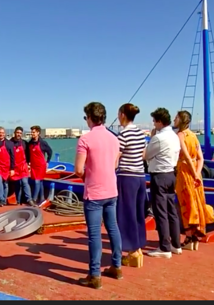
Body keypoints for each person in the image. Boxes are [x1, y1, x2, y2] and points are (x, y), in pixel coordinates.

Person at [75, 102, 123, 289]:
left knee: (94, 233)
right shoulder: (114, 139)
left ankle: (95, 275)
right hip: (111, 190)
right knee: (113, 228)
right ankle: (116, 266)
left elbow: (79, 170)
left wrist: (90, 175)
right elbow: (114, 165)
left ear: (89, 117)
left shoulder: (85, 139)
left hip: (94, 193)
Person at [174, 111, 214, 251]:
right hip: (196, 175)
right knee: (196, 203)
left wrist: (193, 173)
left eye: (176, 118)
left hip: (185, 173)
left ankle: (189, 237)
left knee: (186, 205)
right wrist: (198, 174)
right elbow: (200, 158)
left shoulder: (180, 136)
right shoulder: (193, 136)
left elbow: (185, 156)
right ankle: (195, 236)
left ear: (181, 120)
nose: (174, 119)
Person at [145, 107, 182, 258]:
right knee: (171, 210)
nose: (153, 124)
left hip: (159, 175)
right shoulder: (174, 136)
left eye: (154, 121)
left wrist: (152, 138)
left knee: (161, 212)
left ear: (159, 122)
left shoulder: (159, 138)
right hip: (171, 174)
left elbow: (146, 155)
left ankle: (164, 247)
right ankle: (176, 244)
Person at [116, 103, 147, 268]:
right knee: (137, 214)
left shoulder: (123, 134)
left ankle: (132, 251)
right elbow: (143, 154)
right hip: (140, 177)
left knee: (126, 214)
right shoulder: (140, 133)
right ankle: (138, 247)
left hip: (126, 177)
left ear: (122, 115)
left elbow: (116, 157)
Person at [10, 127, 36, 206]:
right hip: (15, 167)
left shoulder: (24, 143)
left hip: (23, 166)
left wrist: (29, 163)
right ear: (15, 132)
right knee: (17, 184)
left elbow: (28, 153)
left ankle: (29, 200)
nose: (19, 134)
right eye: (17, 132)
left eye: (20, 133)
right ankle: (18, 201)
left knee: (25, 182)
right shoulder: (10, 143)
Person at [27, 125, 53, 203]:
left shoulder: (42, 143)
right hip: (33, 165)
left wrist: (48, 161)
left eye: (34, 132)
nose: (32, 133)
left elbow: (50, 152)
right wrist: (28, 162)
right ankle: (41, 198)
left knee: (37, 181)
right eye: (31, 132)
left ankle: (34, 199)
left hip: (41, 165)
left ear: (38, 133)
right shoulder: (30, 143)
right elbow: (28, 154)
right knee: (40, 182)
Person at [0, 127, 15, 207]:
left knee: (5, 184)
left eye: (2, 133)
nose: (1, 134)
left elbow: (12, 157)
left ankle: (4, 200)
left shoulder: (9, 144)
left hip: (6, 167)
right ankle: (1, 199)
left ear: (4, 134)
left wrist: (12, 169)